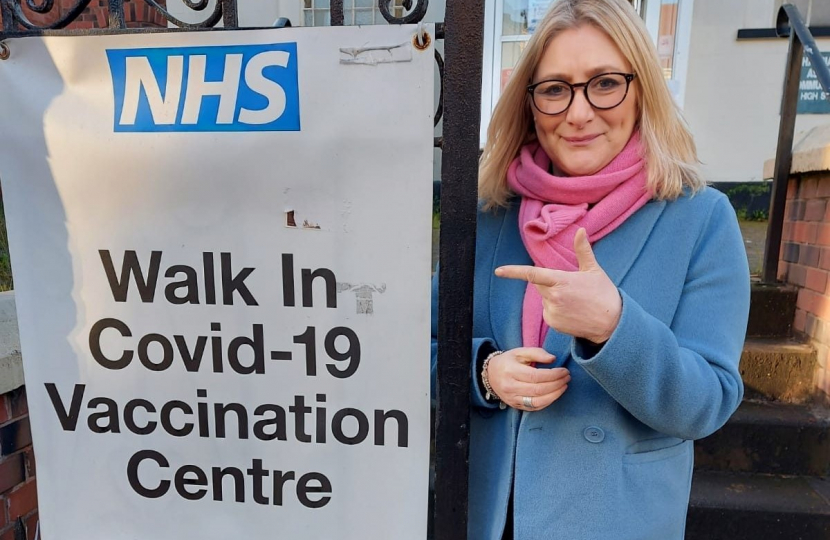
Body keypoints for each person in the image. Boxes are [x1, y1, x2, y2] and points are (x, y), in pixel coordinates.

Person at [429, 0, 750, 538]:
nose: (578, 113)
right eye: (555, 89)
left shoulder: (699, 218)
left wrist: (614, 328)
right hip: (481, 514)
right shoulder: (490, 214)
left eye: (604, 83)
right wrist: (484, 373)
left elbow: (710, 400)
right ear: (530, 104)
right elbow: (421, 348)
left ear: (641, 88)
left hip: (613, 519)